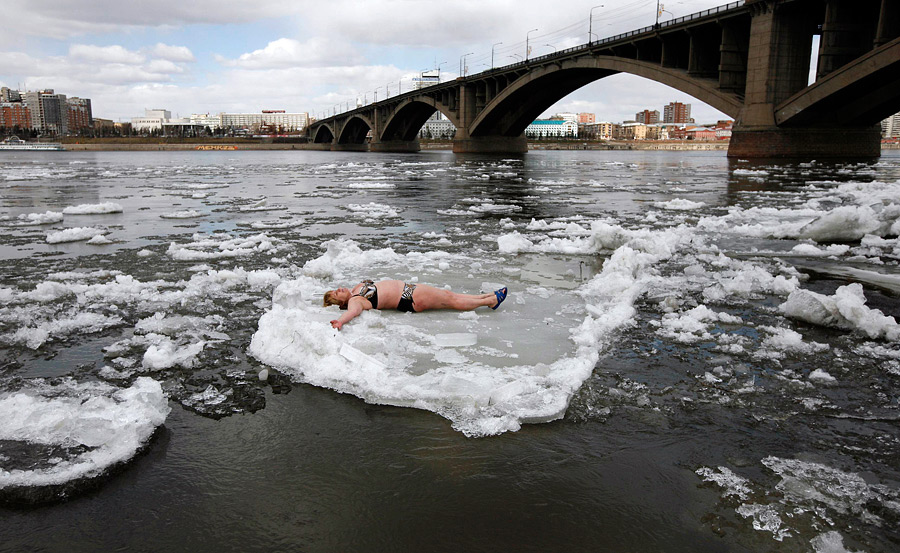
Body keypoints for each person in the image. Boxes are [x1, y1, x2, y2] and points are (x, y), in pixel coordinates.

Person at [324, 279, 508, 330]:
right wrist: (340, 321)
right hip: (408, 297)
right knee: (451, 300)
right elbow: (352, 312)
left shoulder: (357, 288)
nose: (337, 290)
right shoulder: (355, 301)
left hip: (408, 291)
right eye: (335, 295)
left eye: (334, 290)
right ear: (341, 303)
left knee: (449, 295)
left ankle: (487, 297)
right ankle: (491, 301)